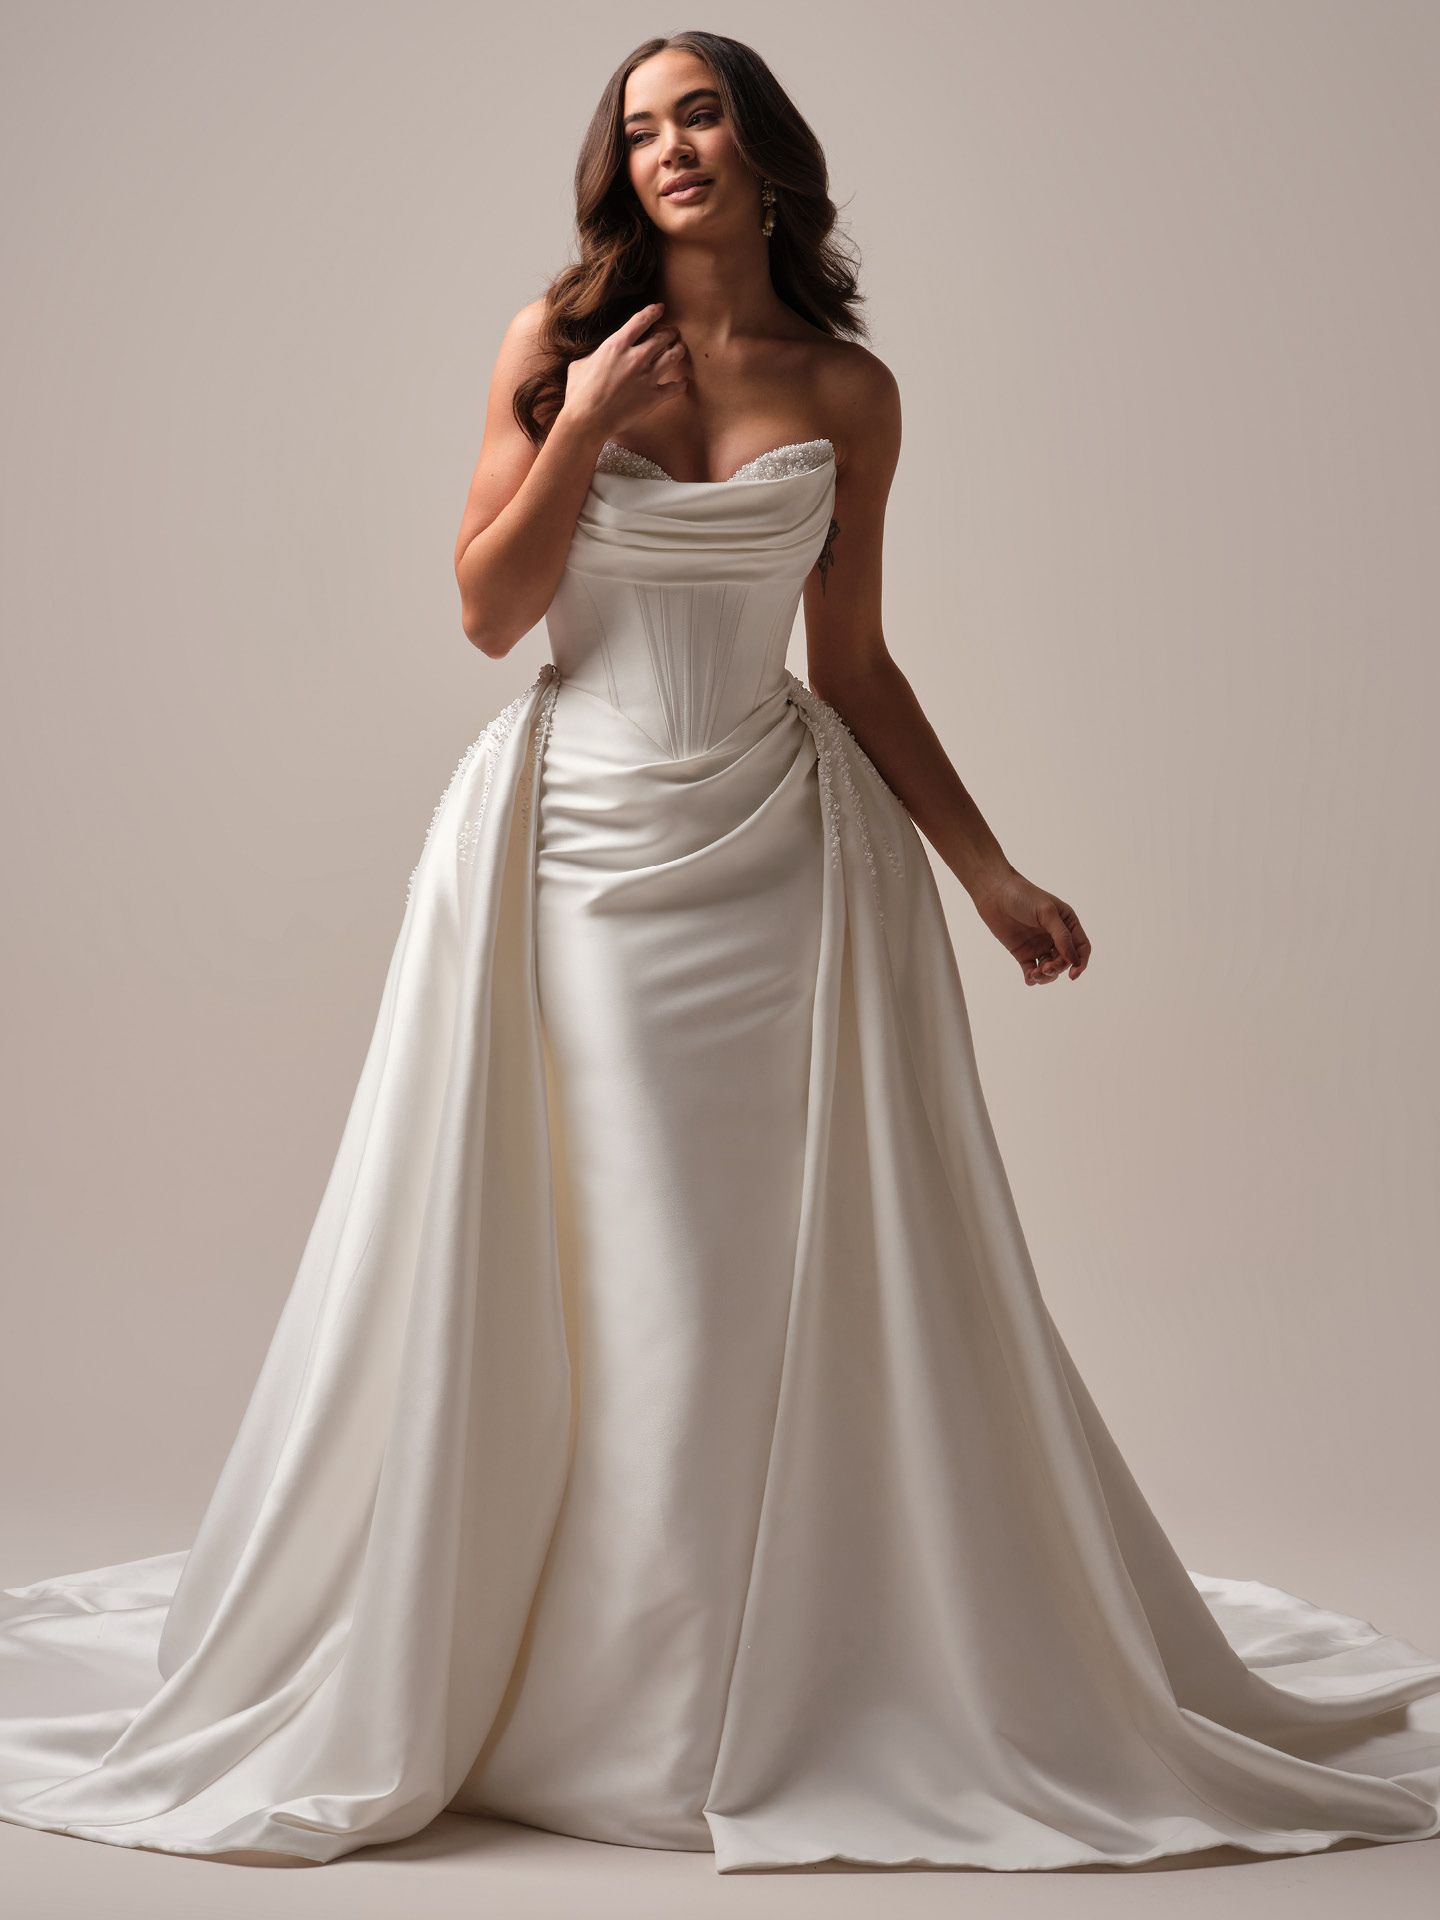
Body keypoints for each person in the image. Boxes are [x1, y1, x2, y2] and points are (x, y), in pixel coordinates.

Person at [2, 28, 1438, 1877]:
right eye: (641, 124)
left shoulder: (850, 388)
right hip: (569, 854)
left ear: (767, 151)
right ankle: (586, 1685)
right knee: (613, 1259)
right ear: (618, 167)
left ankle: (769, 1680)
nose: (671, 146)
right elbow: (485, 612)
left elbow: (850, 665)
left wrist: (989, 873)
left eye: (702, 115)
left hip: (784, 855)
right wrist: (586, 421)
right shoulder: (551, 341)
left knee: (754, 1279)